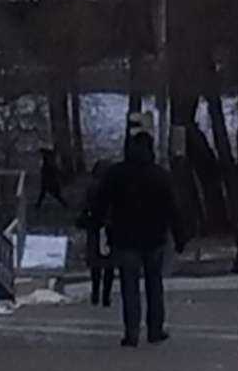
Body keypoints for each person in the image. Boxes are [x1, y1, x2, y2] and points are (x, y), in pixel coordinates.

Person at [92, 130, 186, 346]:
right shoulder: (160, 175)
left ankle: (131, 332)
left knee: (129, 286)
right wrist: (179, 236)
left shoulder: (117, 174)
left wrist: (95, 225)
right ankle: (155, 329)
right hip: (155, 238)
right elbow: (173, 208)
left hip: (125, 238)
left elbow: (101, 203)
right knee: (155, 284)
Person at [80, 160, 114, 307]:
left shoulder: (91, 187)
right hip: (110, 229)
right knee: (109, 264)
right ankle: (106, 295)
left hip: (94, 228)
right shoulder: (113, 187)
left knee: (95, 264)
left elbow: (86, 206)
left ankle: (95, 293)